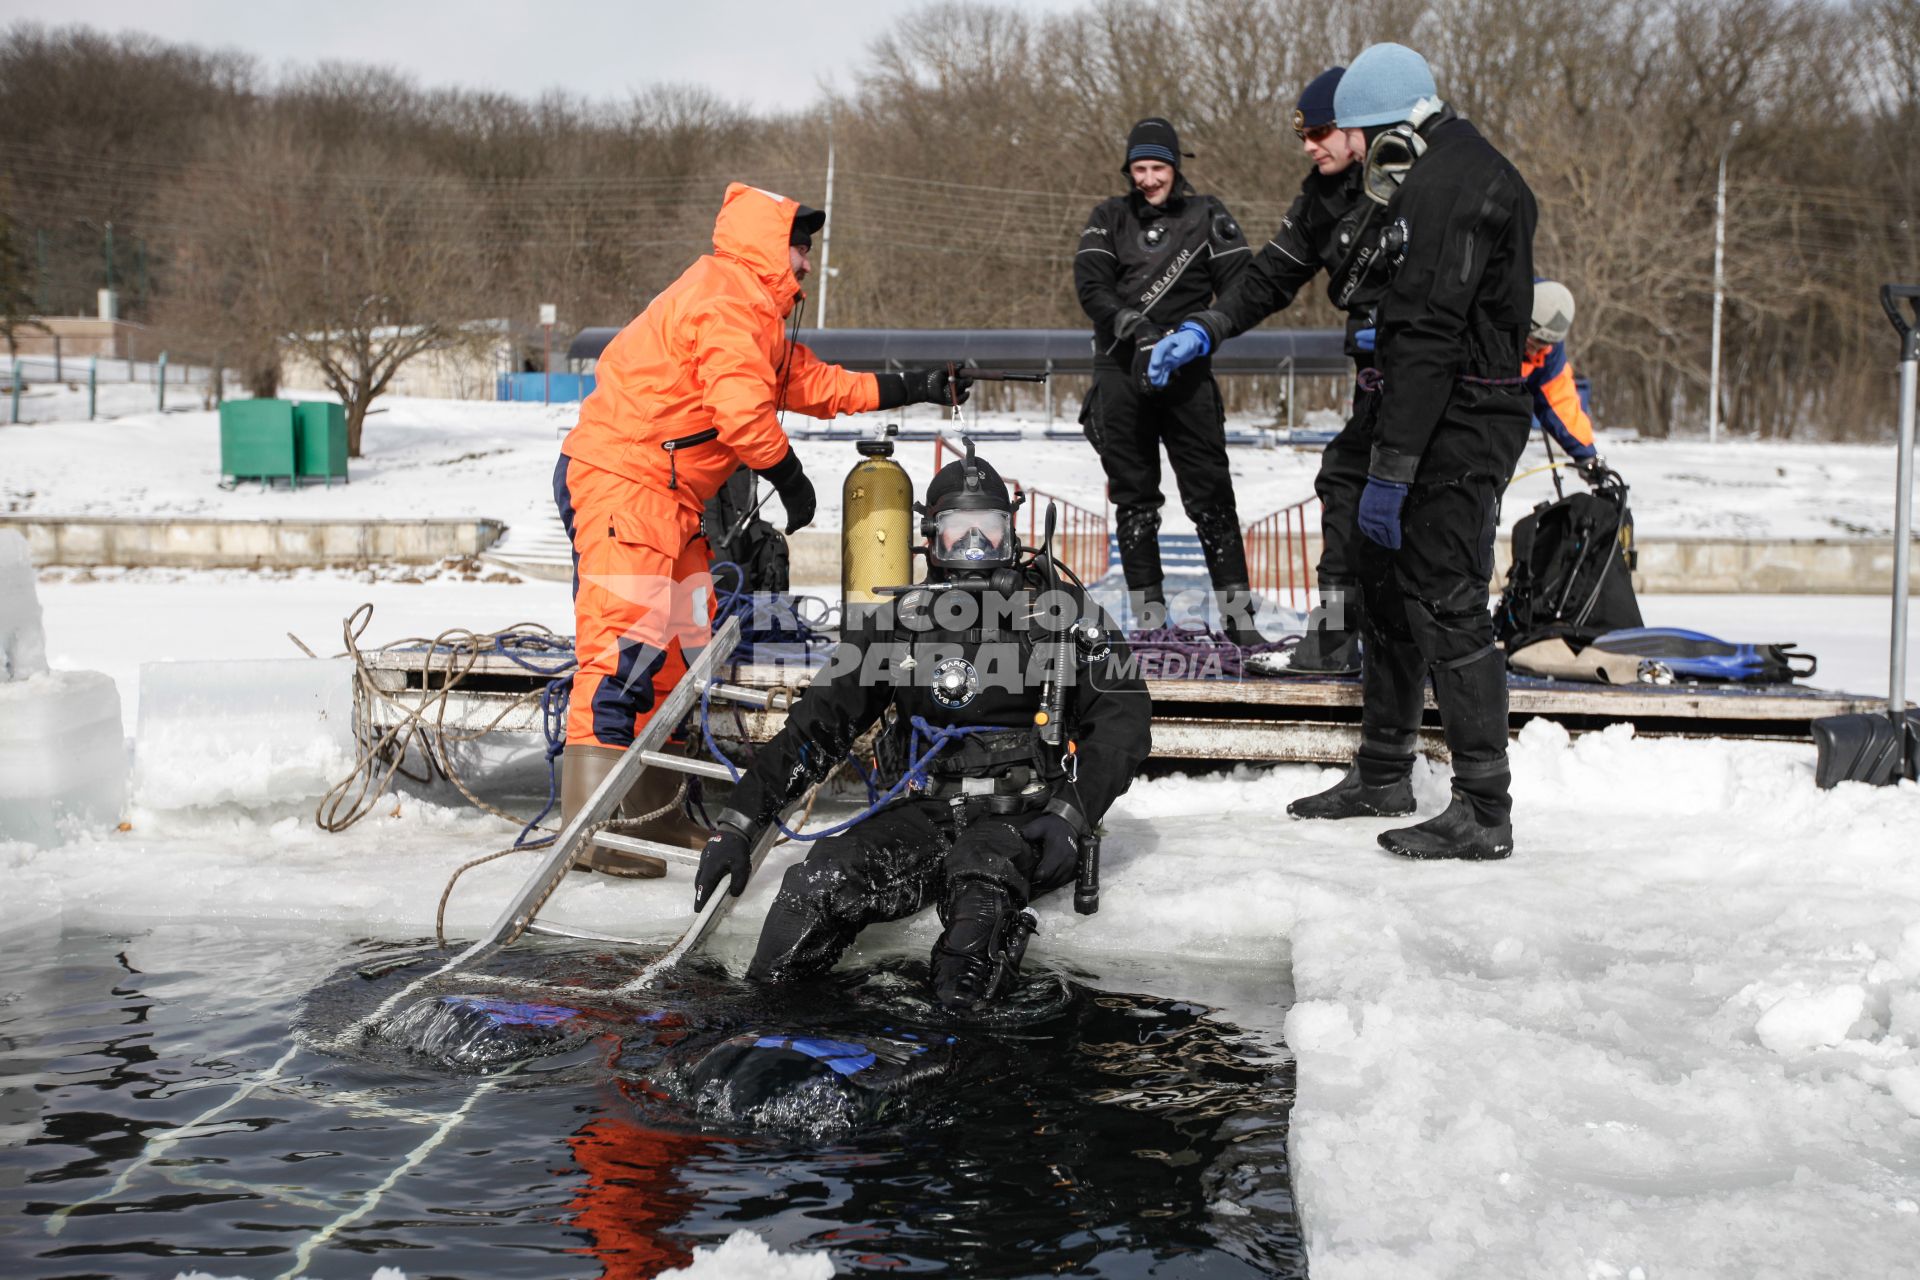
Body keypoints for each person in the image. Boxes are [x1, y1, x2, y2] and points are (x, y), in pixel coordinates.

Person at [556, 182, 971, 876]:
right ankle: (591, 829)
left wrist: (920, 384)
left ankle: (652, 816)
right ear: (762, 245)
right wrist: (790, 476)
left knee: (681, 650)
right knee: (622, 651)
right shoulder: (723, 299)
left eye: (806, 247)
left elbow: (819, 385)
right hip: (624, 486)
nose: (806, 262)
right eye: (796, 246)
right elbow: (741, 414)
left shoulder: (757, 319)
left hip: (670, 499)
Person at [692, 447, 1153, 1012]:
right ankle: (767, 1027)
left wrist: (1071, 813)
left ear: (1013, 532)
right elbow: (815, 728)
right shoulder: (896, 623)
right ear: (930, 537)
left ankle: (960, 1059)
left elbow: (1125, 719)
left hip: (1025, 814)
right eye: (959, 532)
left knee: (976, 921)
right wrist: (739, 823)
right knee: (818, 883)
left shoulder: (1059, 612)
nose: (976, 547)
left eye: (991, 529)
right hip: (928, 809)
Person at [1284, 43, 1538, 861]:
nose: (1346, 151)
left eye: (1350, 134)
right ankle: (1385, 770)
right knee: (1387, 589)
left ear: (1385, 126)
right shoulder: (1429, 175)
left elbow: (1429, 334)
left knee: (1448, 601)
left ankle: (1484, 811)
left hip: (1463, 419)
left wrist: (1393, 469)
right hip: (1424, 408)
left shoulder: (1455, 182)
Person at [1148, 66, 1381, 674]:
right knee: (1344, 482)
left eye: (1322, 131)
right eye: (1303, 134)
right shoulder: (1321, 197)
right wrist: (1206, 327)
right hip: (1380, 378)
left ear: (1360, 123)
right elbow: (1268, 277)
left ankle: (1429, 649)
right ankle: (1333, 644)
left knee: (1421, 510)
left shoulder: (1418, 182)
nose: (1310, 145)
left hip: (1447, 377)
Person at [1073, 117, 1261, 645]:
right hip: (1120, 368)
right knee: (1134, 501)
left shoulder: (1208, 214)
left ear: (1176, 167)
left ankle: (1240, 624)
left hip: (1188, 369)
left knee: (1213, 497)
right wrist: (1133, 325)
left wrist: (1202, 331)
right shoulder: (1107, 217)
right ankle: (1151, 626)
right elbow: (1090, 285)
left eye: (1158, 168)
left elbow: (1243, 286)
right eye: (1139, 168)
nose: (1149, 179)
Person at [1524, 279, 1606, 483]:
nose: (1535, 352)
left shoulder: (1549, 351)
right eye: (1531, 343)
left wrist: (1586, 454)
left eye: (1543, 347)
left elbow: (1559, 401)